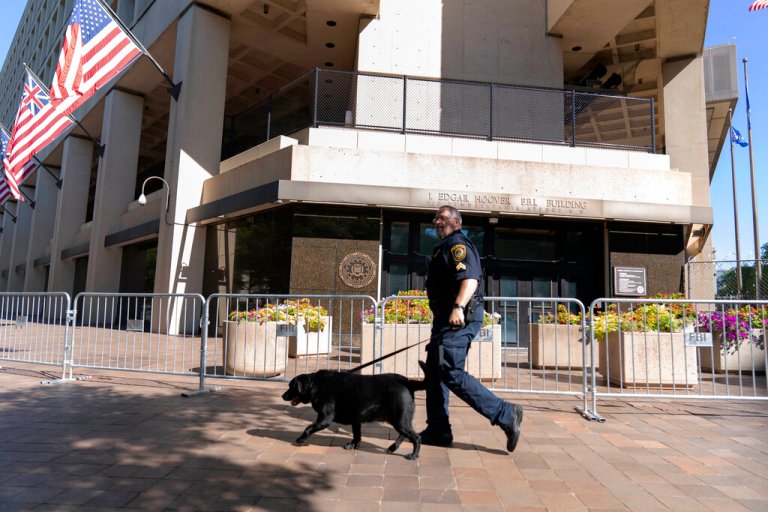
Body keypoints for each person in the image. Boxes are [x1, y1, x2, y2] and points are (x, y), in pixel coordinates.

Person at [421, 205, 523, 452]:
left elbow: (469, 279)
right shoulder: (443, 247)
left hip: (459, 317)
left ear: (456, 222)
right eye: (436, 219)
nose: (437, 222)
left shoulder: (458, 245)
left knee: (450, 371)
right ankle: (438, 429)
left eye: (442, 218)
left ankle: (505, 413)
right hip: (444, 320)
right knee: (435, 371)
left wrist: (458, 307)